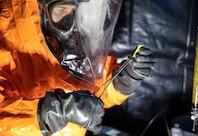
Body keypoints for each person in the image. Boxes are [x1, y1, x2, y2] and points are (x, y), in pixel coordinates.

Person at [0, 0, 155, 136]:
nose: (73, 21)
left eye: (79, 9)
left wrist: (122, 81)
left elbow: (92, 93)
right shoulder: (6, 51)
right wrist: (53, 113)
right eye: (62, 8)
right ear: (38, 9)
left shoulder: (70, 45)